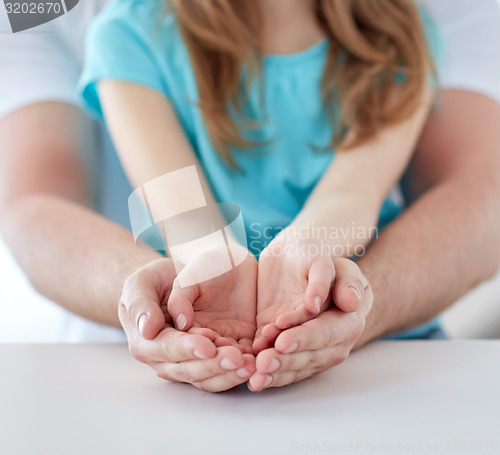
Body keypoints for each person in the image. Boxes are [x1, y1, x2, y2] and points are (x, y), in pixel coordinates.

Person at [0, 0, 499, 392]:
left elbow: (351, 193)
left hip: (382, 347)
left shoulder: (402, 33)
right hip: (204, 345)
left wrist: (309, 257)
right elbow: (183, 210)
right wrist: (212, 265)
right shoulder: (128, 35)